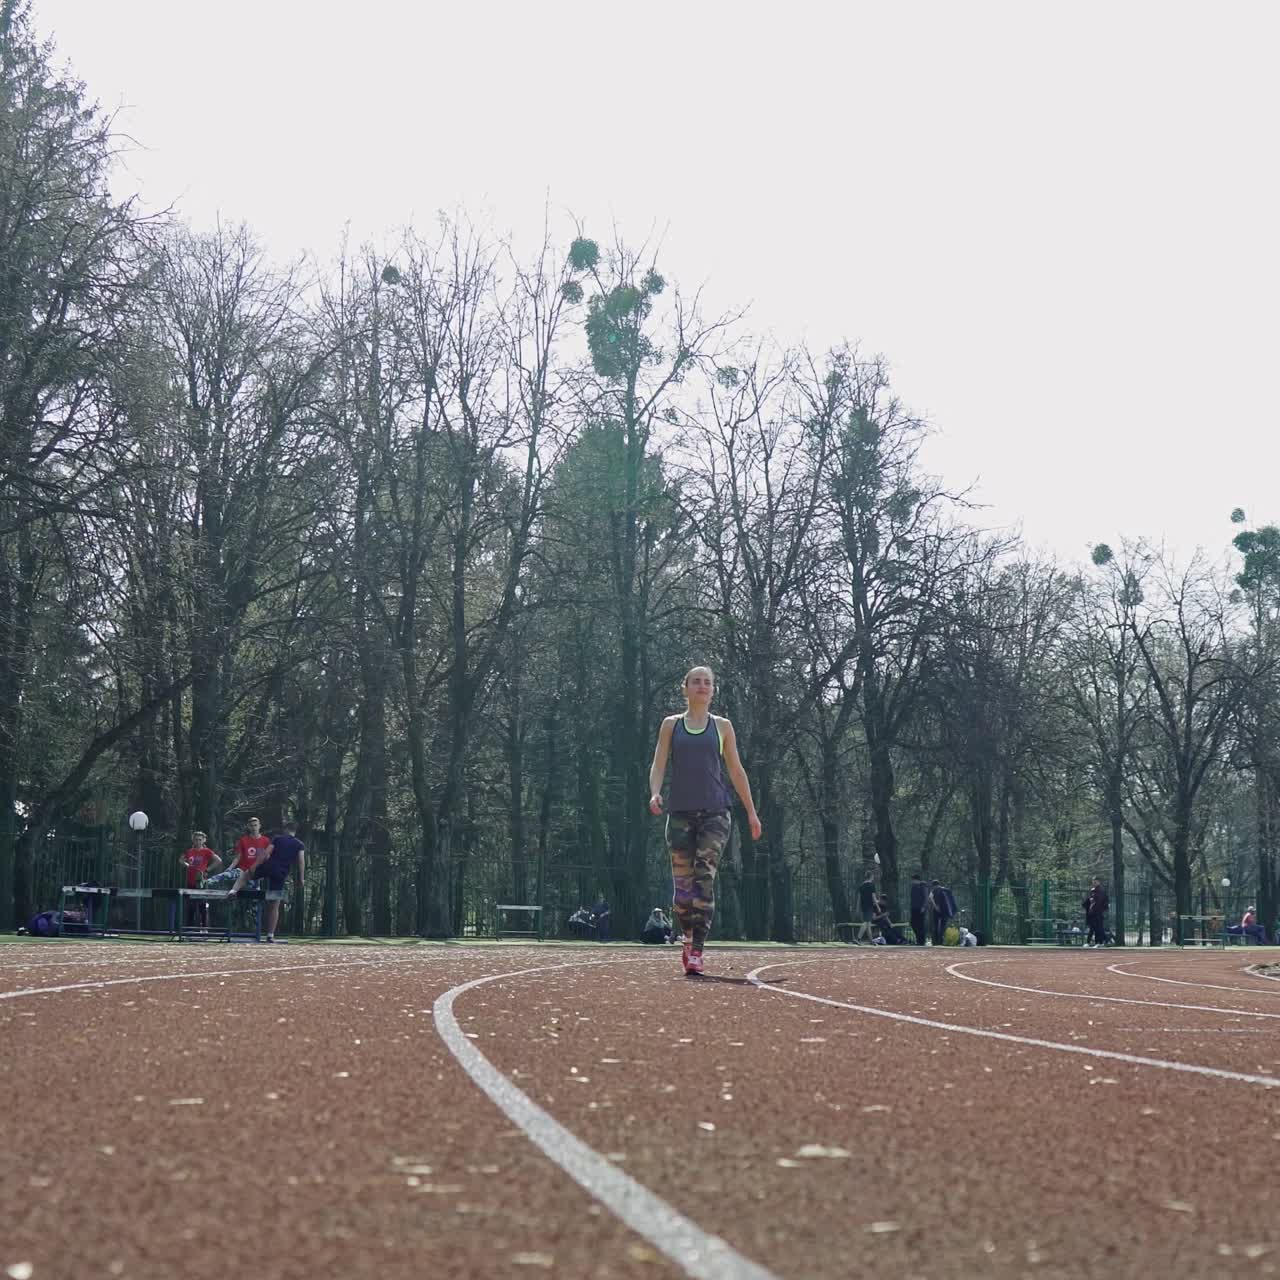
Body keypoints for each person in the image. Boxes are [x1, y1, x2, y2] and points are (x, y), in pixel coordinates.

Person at [648, 665, 762, 976]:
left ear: (713, 690)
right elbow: (658, 763)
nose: (702, 686)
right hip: (680, 813)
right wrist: (655, 793)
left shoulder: (723, 727)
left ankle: (697, 949)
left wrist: (751, 811)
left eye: (707, 682)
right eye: (696, 681)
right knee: (683, 888)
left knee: (704, 878)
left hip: (716, 812)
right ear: (685, 688)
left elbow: (736, 771)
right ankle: (686, 937)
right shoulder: (671, 726)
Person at [227, 821, 305, 942]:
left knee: (246, 875)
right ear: (295, 831)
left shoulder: (278, 839)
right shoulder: (299, 844)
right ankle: (270, 935)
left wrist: (254, 865)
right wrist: (301, 878)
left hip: (269, 866)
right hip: (281, 872)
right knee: (275, 904)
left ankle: (233, 890)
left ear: (285, 829)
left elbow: (266, 853)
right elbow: (301, 862)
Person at [179, 831, 222, 929]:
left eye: (200, 840)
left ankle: (204, 929)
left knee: (202, 906)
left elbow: (218, 860)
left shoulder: (207, 851)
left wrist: (207, 869)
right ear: (193, 840)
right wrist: (187, 865)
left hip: (201, 882)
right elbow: (181, 860)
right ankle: (189, 929)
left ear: (204, 840)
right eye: (196, 839)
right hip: (190, 882)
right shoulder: (189, 851)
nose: (198, 842)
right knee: (191, 907)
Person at [1083, 878, 1109, 947]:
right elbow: (1089, 900)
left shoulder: (1101, 890)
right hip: (1092, 913)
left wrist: (1096, 909)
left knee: (1098, 928)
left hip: (1098, 913)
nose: (1093, 883)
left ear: (1098, 882)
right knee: (1092, 928)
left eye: (1095, 882)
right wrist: (1087, 903)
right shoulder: (1093, 890)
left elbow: (1100, 902)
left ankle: (1099, 942)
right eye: (1093, 882)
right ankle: (1089, 942)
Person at [930, 880, 956, 946]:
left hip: (936, 910)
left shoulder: (934, 890)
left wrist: (935, 907)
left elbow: (931, 898)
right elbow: (952, 900)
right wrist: (953, 911)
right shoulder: (947, 890)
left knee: (935, 926)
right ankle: (941, 941)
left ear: (934, 885)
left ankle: (935, 941)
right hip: (945, 910)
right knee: (943, 926)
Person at [855, 872, 877, 943]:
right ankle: (858, 938)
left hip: (863, 906)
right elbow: (873, 897)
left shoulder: (861, 886)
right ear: (871, 876)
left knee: (868, 924)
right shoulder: (872, 885)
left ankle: (871, 941)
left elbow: (859, 899)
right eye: (873, 876)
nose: (873, 877)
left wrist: (857, 909)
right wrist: (878, 906)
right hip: (869, 906)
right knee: (866, 923)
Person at [909, 872, 929, 946]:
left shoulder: (923, 886)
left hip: (920, 908)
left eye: (913, 880)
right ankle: (918, 939)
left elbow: (926, 897)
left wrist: (924, 907)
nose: (912, 882)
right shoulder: (913, 887)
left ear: (916, 880)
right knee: (913, 923)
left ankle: (921, 941)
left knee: (920, 925)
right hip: (914, 908)